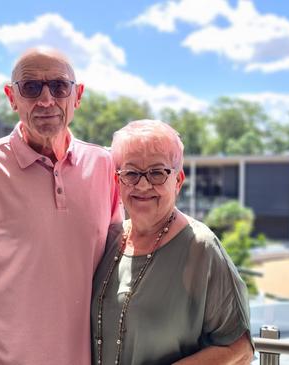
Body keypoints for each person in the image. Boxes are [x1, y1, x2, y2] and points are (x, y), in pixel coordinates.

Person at [0, 48, 122, 364]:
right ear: (11, 97)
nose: (46, 100)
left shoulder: (104, 165)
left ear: (78, 95)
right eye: (31, 87)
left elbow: (119, 266)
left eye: (59, 86)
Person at [91, 120, 255, 365]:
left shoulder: (201, 246)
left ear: (178, 180)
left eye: (157, 173)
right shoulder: (109, 240)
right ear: (118, 181)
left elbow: (240, 349)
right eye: (132, 173)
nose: (143, 185)